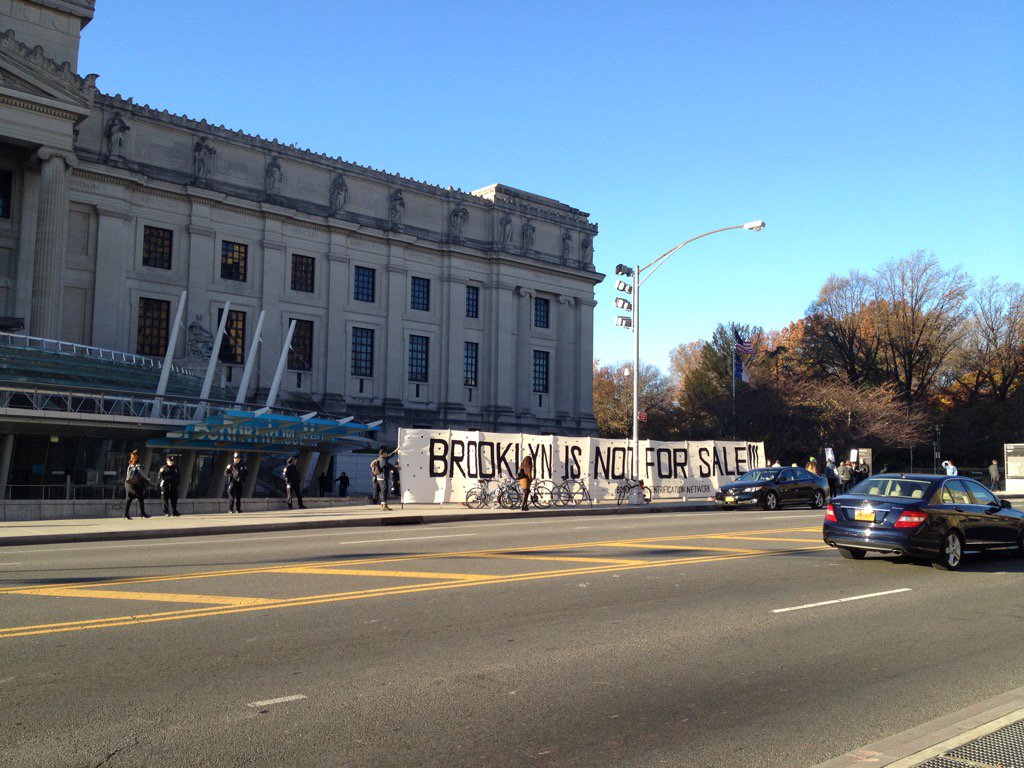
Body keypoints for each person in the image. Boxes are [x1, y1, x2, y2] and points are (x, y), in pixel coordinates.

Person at [124, 449, 149, 520]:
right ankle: (143, 514)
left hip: (128, 483)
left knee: (129, 498)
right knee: (140, 498)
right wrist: (147, 479)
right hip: (135, 483)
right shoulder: (137, 466)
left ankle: (126, 515)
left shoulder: (129, 465)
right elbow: (141, 474)